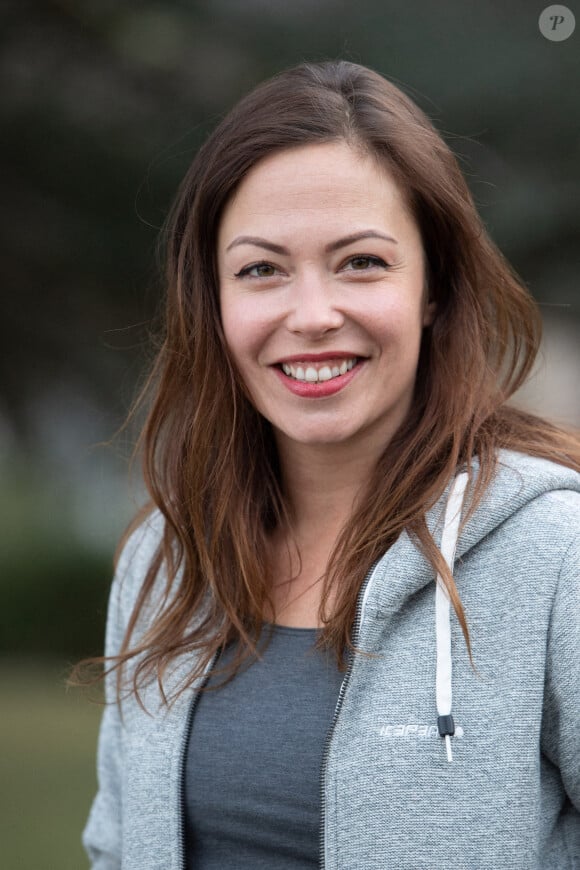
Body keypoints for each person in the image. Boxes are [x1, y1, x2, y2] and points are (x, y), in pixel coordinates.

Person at [81, 60, 580, 869]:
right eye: (261, 270)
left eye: (361, 263)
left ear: (434, 289)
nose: (312, 315)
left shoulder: (557, 555)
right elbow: (115, 848)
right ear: (213, 302)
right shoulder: (165, 562)